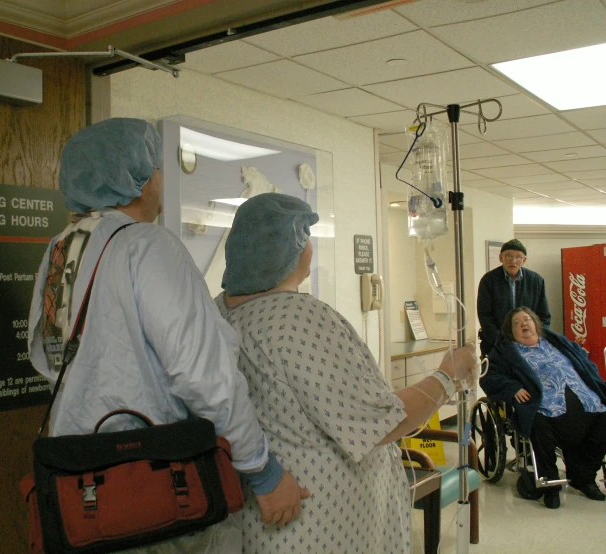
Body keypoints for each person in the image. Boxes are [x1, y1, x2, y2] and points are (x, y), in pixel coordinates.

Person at [27, 118, 308, 554]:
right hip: (155, 489)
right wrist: (262, 471)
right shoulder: (146, 245)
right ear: (139, 181)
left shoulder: (62, 249)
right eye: (156, 168)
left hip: (84, 492)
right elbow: (203, 375)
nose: (161, 179)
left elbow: (48, 358)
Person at [213, 193, 478, 554]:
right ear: (289, 247)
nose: (309, 246)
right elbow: (384, 422)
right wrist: (448, 376)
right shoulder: (297, 319)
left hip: (260, 522)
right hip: (322, 523)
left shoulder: (218, 314)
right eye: (305, 235)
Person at [480, 307, 606, 509]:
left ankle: (584, 478)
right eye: (516, 323)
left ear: (536, 323)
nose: (523, 324)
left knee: (603, 416)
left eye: (527, 319)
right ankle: (550, 487)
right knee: (537, 423)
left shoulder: (558, 342)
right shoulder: (506, 352)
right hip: (543, 405)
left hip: (584, 400)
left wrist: (593, 381)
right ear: (510, 332)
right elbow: (489, 376)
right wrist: (513, 388)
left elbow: (585, 364)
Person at [477, 239, 550, 358]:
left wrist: (535, 338)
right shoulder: (489, 280)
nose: (513, 261)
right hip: (496, 346)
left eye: (518, 257)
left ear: (524, 260)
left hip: (529, 346)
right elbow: (485, 316)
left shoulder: (536, 280)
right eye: (508, 256)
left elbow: (544, 316)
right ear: (501, 258)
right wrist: (500, 341)